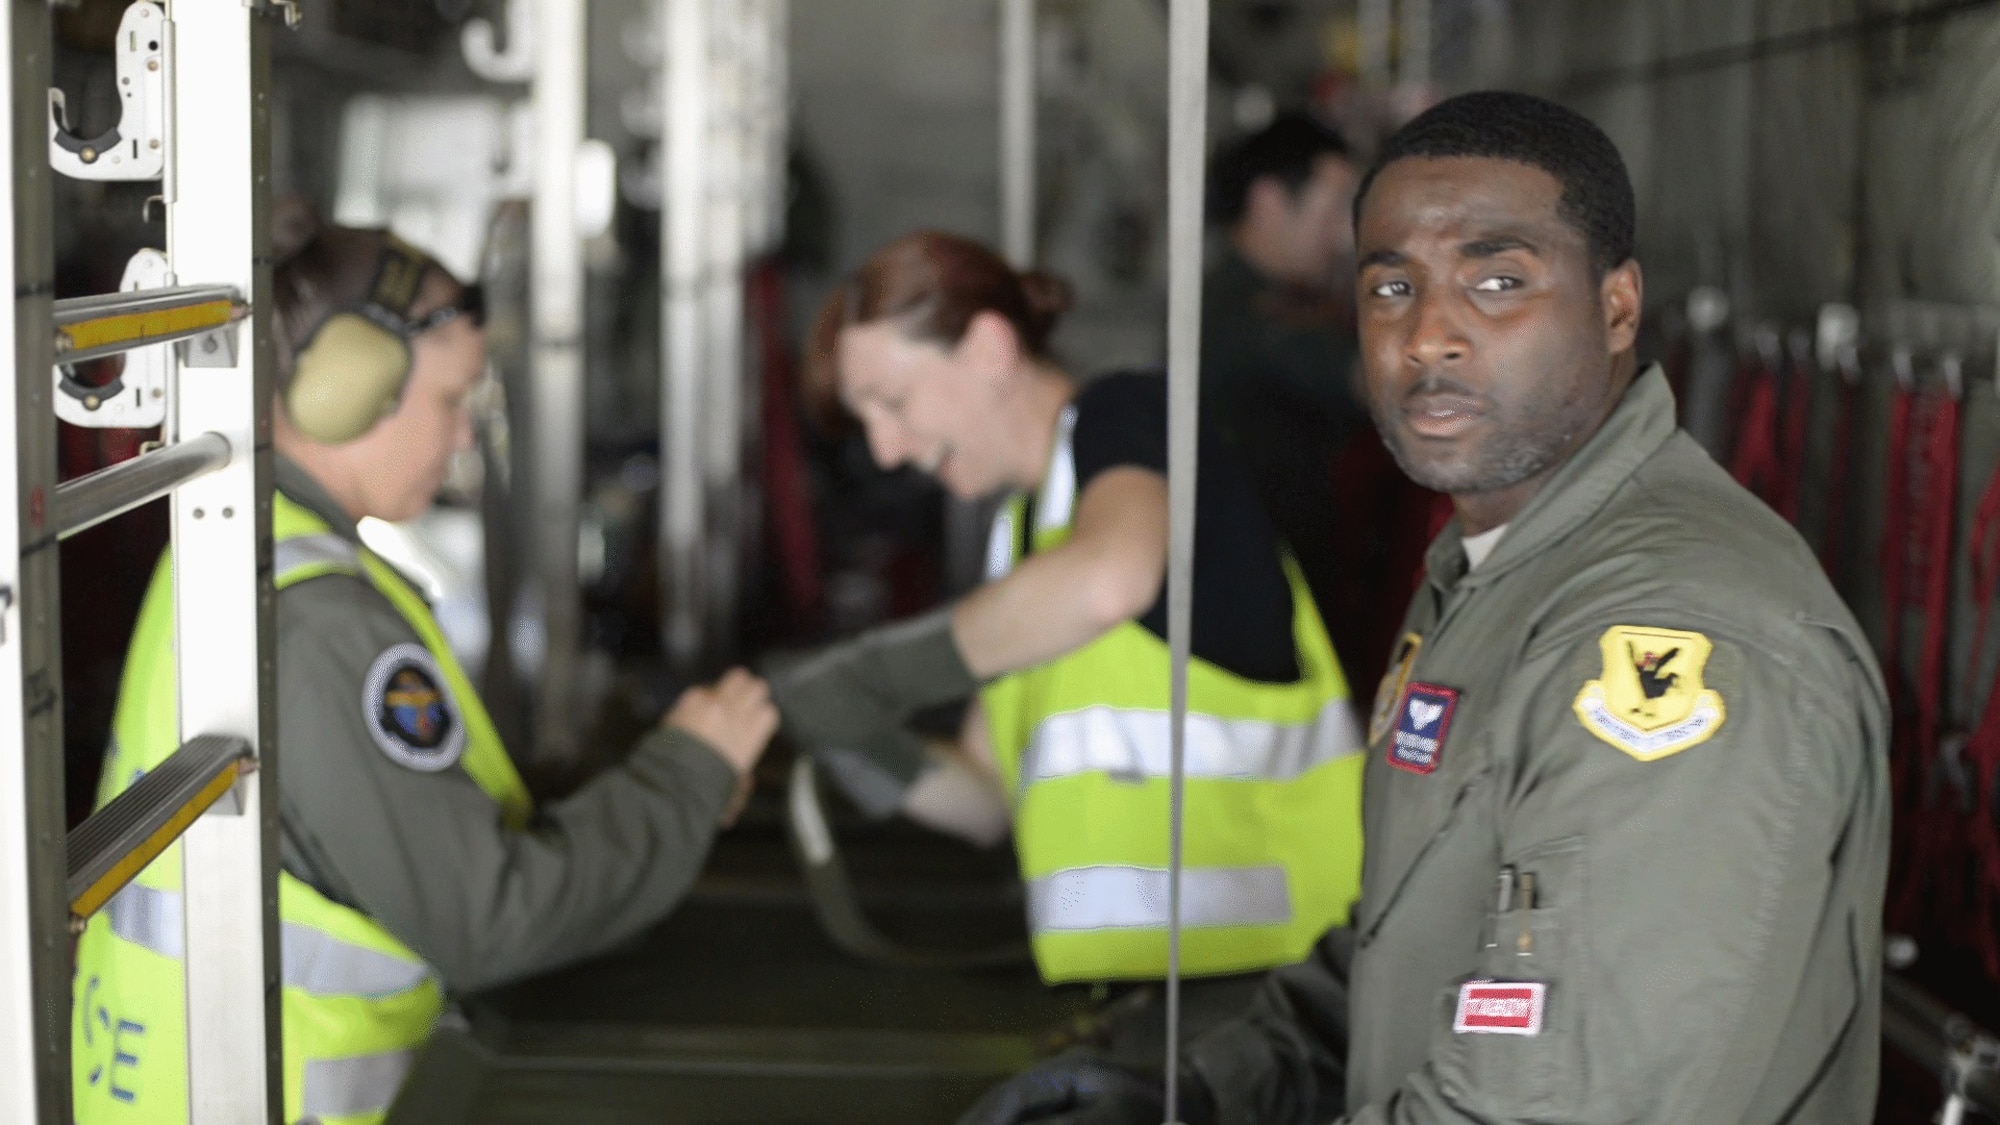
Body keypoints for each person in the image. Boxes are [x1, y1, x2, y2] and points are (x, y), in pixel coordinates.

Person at [961, 90, 1889, 1125]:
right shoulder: (1486, 574)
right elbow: (1402, 942)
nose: (1429, 335)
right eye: (1390, 287)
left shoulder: (1682, 640)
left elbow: (1562, 1107)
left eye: (1497, 281)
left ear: (1616, 307)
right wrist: (1193, 1094)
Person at [70, 209, 779, 1125]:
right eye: (452, 401)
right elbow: (489, 917)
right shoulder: (322, 619)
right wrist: (687, 772)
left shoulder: (244, 550)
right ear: (343, 392)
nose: (461, 440)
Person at [772, 230, 1365, 988]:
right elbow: (987, 797)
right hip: (1152, 997)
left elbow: (1108, 581)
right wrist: (853, 735)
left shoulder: (1130, 416)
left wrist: (878, 671)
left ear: (989, 347)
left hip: (1284, 991)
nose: (886, 450)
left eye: (893, 403)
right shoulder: (1024, 537)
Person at [1205, 112, 1429, 690]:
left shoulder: (1270, 304)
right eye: (1333, 208)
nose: (1342, 237)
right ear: (1270, 201)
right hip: (1263, 602)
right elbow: (1374, 378)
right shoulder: (1245, 316)